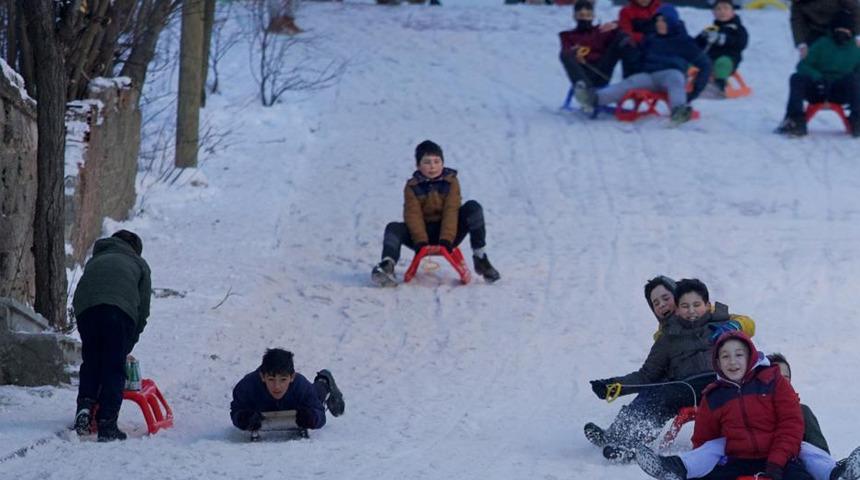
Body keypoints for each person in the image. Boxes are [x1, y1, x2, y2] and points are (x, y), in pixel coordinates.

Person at [584, 279, 741, 462]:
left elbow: (747, 348)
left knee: (662, 393)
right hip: (686, 389)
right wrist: (613, 385)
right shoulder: (666, 339)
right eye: (655, 303)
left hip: (723, 382)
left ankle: (624, 437)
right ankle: (627, 440)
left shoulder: (722, 322)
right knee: (656, 395)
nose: (691, 310)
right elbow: (647, 375)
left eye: (666, 298)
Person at [636, 353, 860, 480]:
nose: (781, 381)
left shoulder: (799, 410)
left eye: (786, 377)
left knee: (803, 448)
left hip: (788, 458)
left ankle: (839, 473)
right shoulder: (742, 400)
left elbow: (815, 448)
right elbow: (709, 439)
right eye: (776, 375)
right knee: (716, 448)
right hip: (741, 456)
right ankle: (675, 469)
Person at [636, 332, 813, 480]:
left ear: (750, 356)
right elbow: (703, 441)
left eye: (739, 354)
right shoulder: (714, 395)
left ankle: (835, 472)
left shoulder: (772, 381)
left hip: (778, 458)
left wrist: (776, 463)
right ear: (718, 362)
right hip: (738, 459)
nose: (732, 362)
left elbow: (791, 423)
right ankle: (674, 469)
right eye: (725, 356)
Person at [370, 140, 500, 286]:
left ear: (442, 163)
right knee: (393, 228)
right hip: (421, 235)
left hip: (449, 234)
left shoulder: (451, 182)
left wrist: (446, 240)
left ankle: (480, 257)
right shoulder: (412, 186)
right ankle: (387, 265)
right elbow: (413, 215)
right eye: (427, 162)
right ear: (418, 166)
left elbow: (451, 211)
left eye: (437, 161)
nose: (432, 166)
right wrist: (420, 241)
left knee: (473, 208)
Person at [71, 230, 152, 442]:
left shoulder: (97, 259)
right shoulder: (139, 265)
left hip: (86, 310)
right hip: (118, 311)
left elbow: (84, 291)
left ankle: (85, 409)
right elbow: (142, 310)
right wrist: (128, 343)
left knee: (92, 361)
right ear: (136, 250)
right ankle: (107, 424)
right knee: (114, 367)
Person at [575, 5, 712, 124]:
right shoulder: (651, 38)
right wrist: (629, 50)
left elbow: (705, 64)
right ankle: (593, 99)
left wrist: (694, 92)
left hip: (670, 74)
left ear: (672, 21)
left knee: (676, 77)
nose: (659, 23)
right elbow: (639, 57)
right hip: (649, 75)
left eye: (663, 20)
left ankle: (678, 111)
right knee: (629, 83)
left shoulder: (684, 42)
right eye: (657, 20)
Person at [775, 15, 860, 137]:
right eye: (839, 30)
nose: (842, 33)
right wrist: (817, 77)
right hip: (817, 88)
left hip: (840, 91)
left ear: (851, 32)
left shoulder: (855, 51)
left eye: (845, 30)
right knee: (796, 78)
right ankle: (796, 120)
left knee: (855, 80)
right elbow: (803, 65)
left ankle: (857, 119)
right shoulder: (822, 44)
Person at [230, 349, 345, 433]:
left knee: (316, 393)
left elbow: (320, 414)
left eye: (283, 380)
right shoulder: (247, 387)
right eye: (271, 379)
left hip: (296, 399)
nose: (277, 386)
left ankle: (324, 381)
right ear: (262, 376)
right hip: (263, 402)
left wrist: (312, 418)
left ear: (292, 377)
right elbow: (236, 411)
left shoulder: (300, 386)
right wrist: (244, 419)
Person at [559, 0, 638, 89]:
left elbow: (625, 28)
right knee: (565, 54)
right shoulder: (568, 36)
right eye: (581, 16)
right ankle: (585, 89)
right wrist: (574, 52)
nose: (584, 19)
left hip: (602, 71)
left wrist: (616, 24)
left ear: (593, 16)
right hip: (582, 74)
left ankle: (631, 80)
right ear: (574, 17)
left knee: (623, 38)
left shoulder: (601, 31)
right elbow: (566, 51)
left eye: (588, 16)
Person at [693, 0, 749, 97]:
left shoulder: (738, 29)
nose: (722, 12)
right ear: (713, 13)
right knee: (693, 61)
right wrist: (702, 36)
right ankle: (689, 84)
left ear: (732, 12)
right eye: (718, 9)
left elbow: (741, 43)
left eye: (726, 8)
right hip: (708, 58)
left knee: (722, 63)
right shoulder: (711, 29)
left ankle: (720, 85)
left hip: (729, 58)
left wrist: (722, 39)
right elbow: (696, 44)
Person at [790, 0, 860, 59]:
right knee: (812, 59)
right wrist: (801, 45)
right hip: (814, 30)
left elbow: (856, 9)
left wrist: (858, 35)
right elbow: (796, 21)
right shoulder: (797, 3)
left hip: (839, 27)